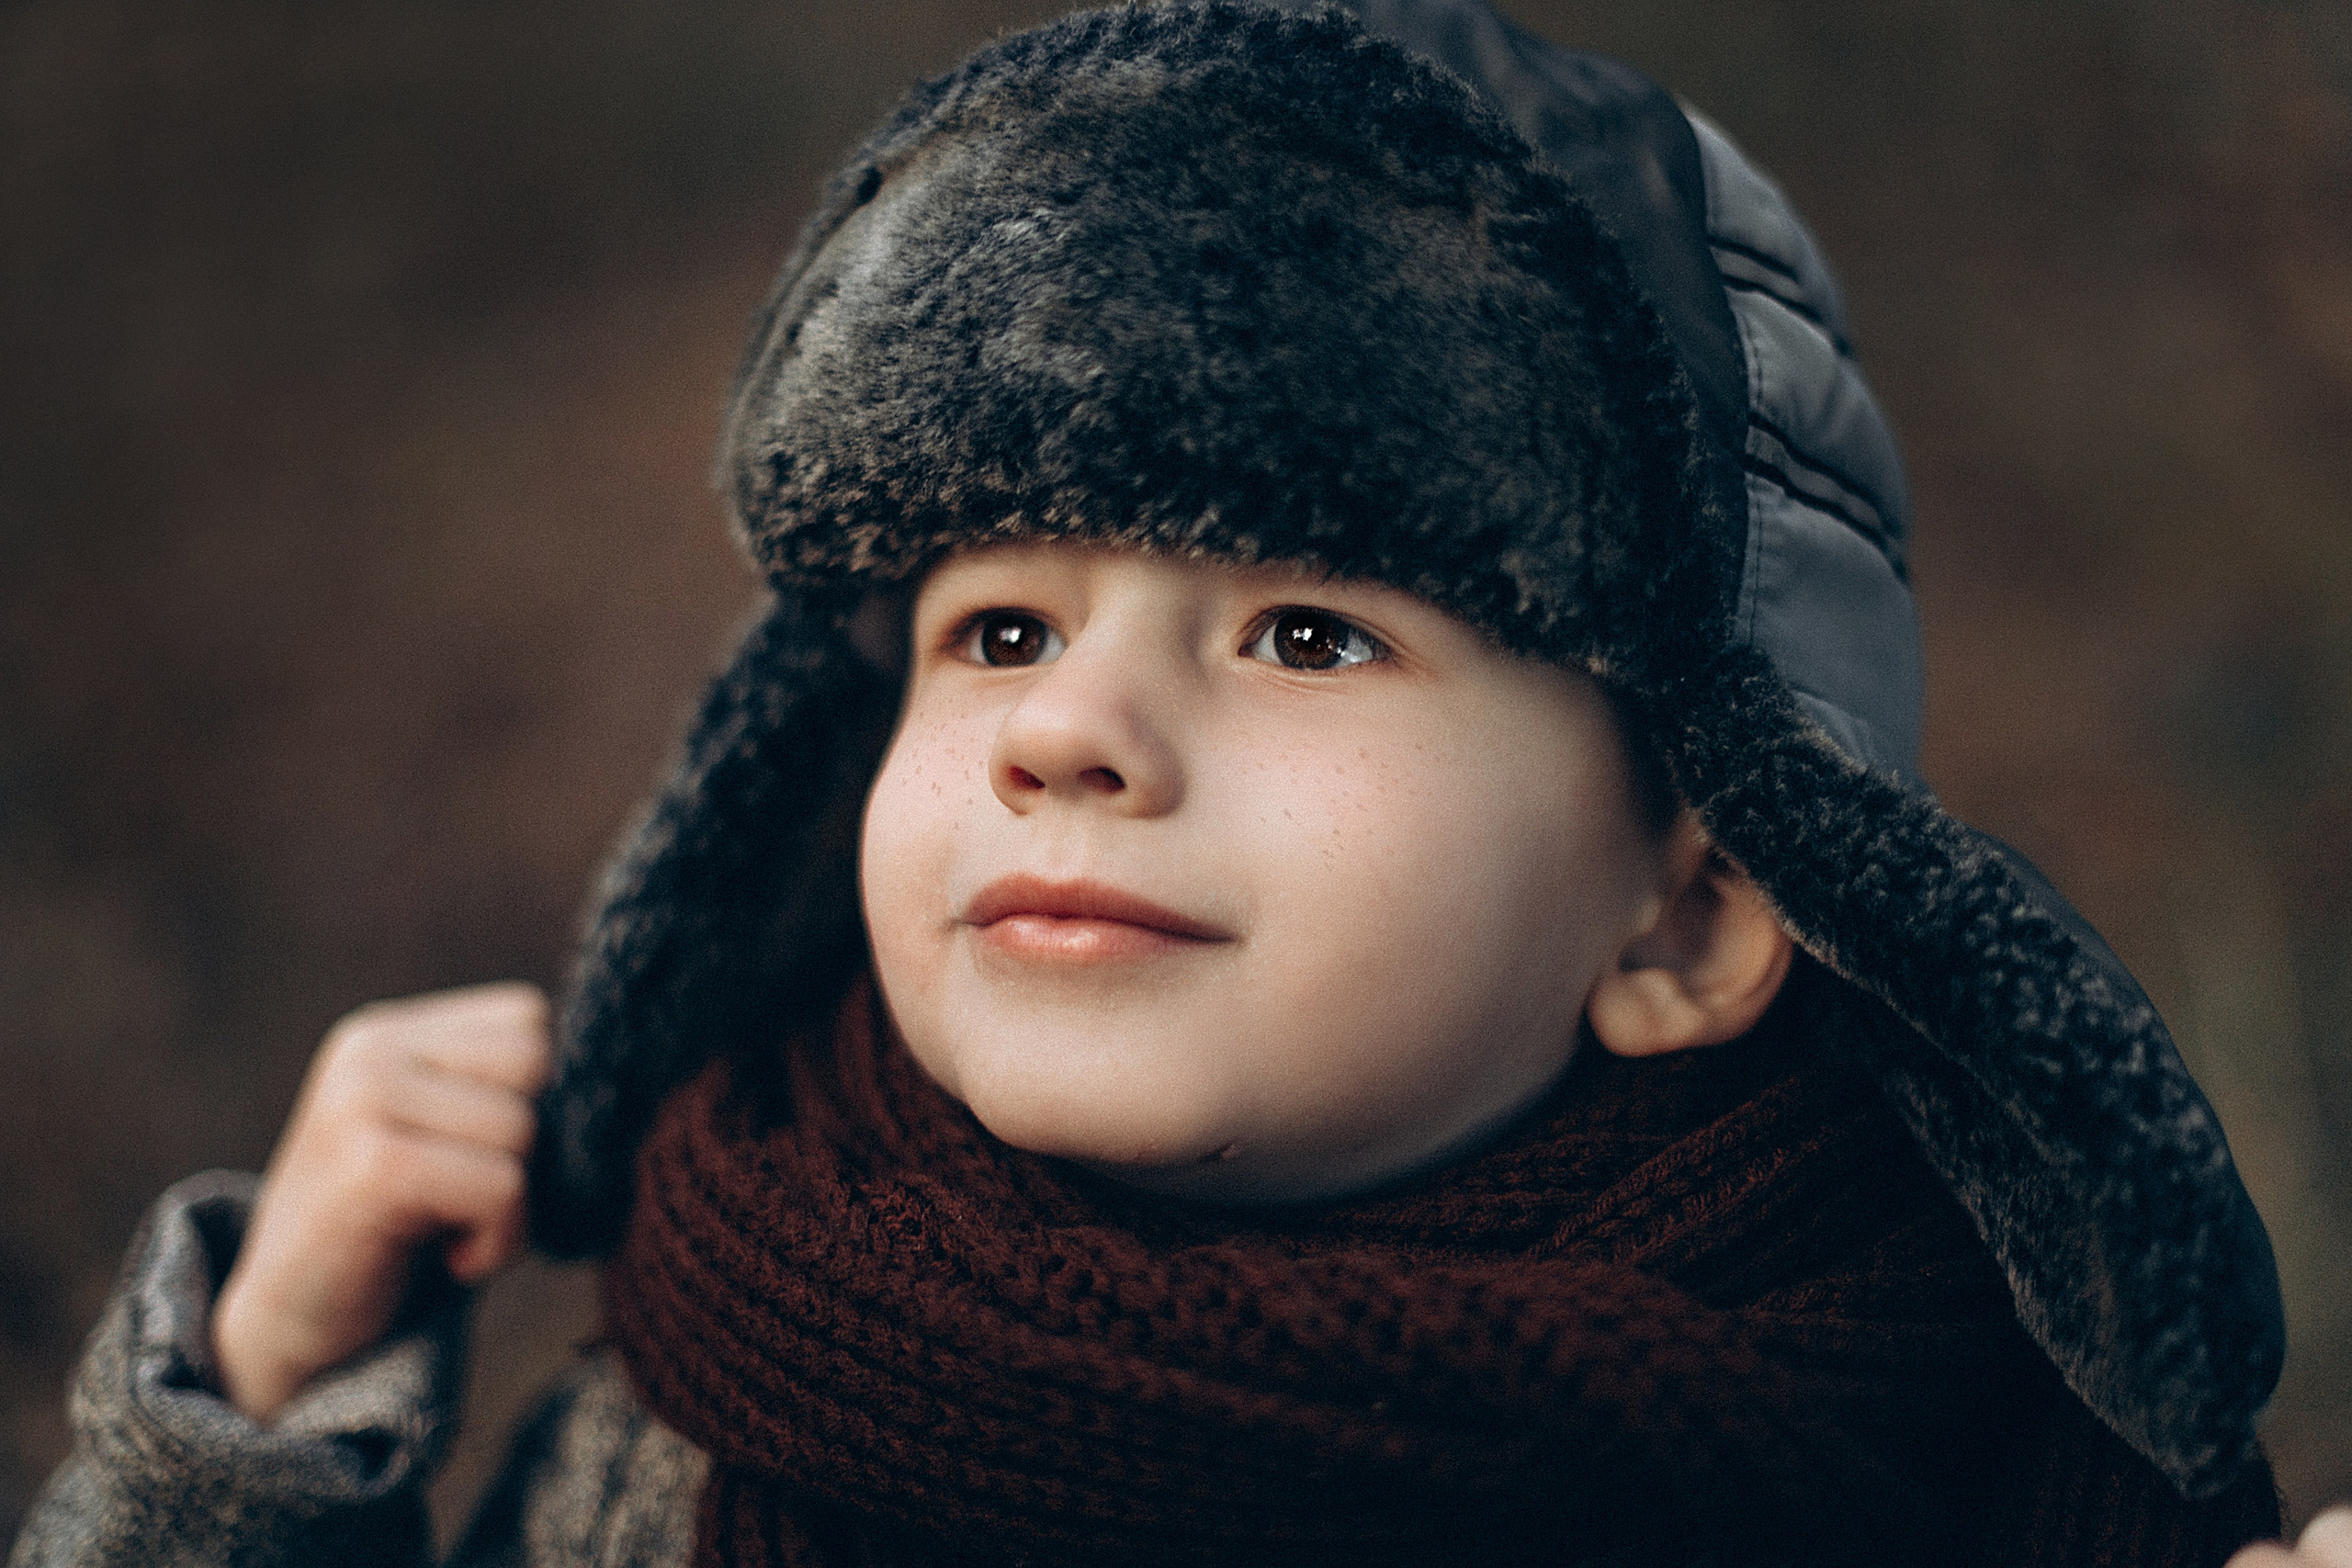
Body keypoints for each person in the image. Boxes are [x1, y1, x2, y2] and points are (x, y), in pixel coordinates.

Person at [8, 1, 2332, 1563]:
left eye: (1310, 632)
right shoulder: (702, 1415)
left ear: (1694, 911)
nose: (1065, 727)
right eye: (993, 628)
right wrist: (258, 1401)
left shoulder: (1936, 1464)